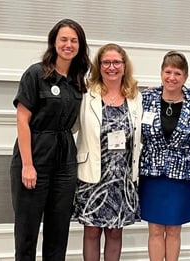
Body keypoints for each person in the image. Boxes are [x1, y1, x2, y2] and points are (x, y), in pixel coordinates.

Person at [9, 19, 90, 261]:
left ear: (80, 46)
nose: (69, 45)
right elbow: (22, 120)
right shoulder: (36, 73)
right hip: (35, 156)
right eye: (63, 39)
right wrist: (27, 164)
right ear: (54, 42)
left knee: (58, 232)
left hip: (65, 161)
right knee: (27, 232)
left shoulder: (78, 80)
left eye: (74, 40)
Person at [72, 43, 142, 261]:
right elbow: (71, 126)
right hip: (93, 174)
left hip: (122, 176)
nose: (111, 67)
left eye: (116, 62)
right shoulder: (86, 94)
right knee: (92, 231)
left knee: (115, 231)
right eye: (106, 62)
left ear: (124, 66)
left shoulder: (135, 96)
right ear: (98, 66)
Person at [139, 50, 190, 261]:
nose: (172, 77)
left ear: (185, 77)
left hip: (180, 176)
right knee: (155, 230)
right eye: (168, 72)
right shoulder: (146, 98)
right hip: (152, 174)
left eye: (177, 73)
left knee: (174, 230)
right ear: (161, 73)